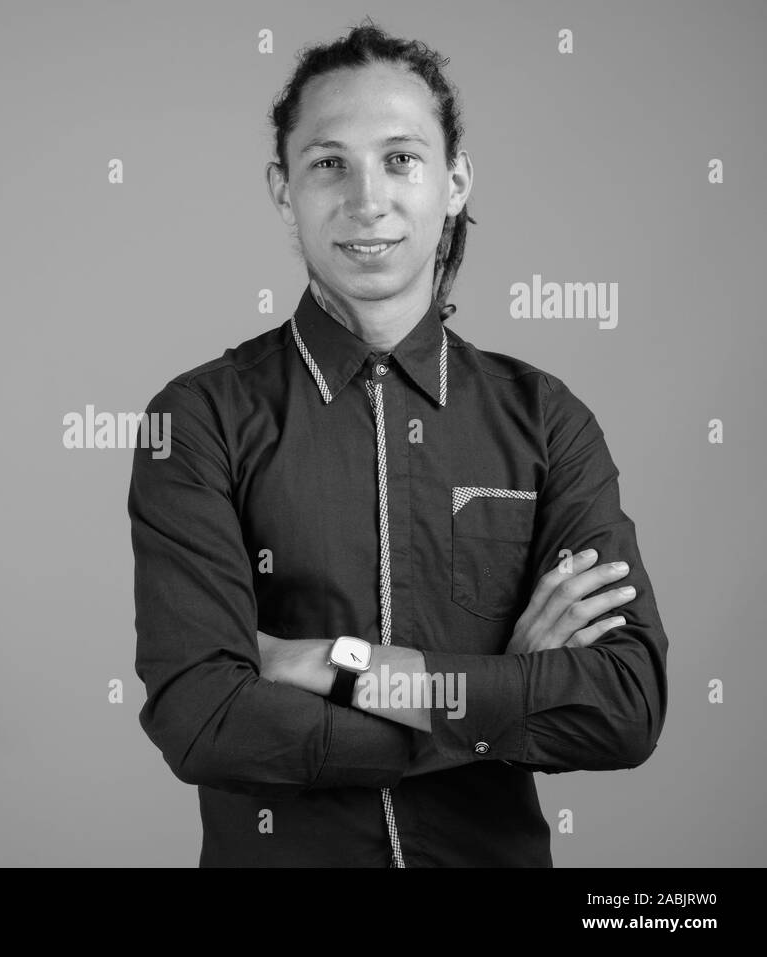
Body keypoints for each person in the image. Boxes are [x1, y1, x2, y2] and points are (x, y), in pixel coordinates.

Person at [126, 19, 668, 867]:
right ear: (283, 189)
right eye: (328, 163)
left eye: (401, 159)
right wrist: (493, 700)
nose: (366, 200)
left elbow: (626, 706)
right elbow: (205, 720)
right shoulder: (196, 420)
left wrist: (329, 664)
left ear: (454, 181)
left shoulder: (549, 420)